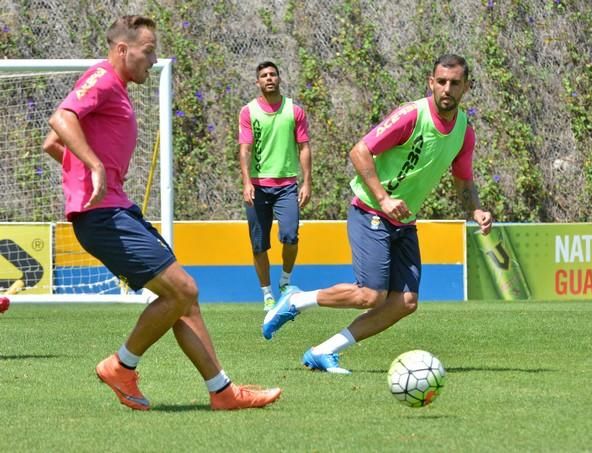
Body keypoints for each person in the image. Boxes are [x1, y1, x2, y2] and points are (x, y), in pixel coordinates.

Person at [42, 15, 281, 410]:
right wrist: (95, 168)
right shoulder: (102, 77)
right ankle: (121, 365)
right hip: (102, 216)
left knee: (184, 297)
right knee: (183, 289)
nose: (153, 61)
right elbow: (60, 120)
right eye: (148, 51)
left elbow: (54, 143)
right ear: (123, 50)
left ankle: (222, 392)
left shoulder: (115, 88)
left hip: (115, 209)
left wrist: (82, 170)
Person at [262, 54, 493, 374]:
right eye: (441, 82)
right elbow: (359, 151)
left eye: (455, 83)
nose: (447, 89)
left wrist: (476, 209)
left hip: (404, 221)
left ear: (467, 87)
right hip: (370, 211)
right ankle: (296, 301)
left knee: (405, 302)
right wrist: (383, 199)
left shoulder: (464, 131)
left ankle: (324, 351)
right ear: (431, 82)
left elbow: (463, 178)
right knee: (370, 294)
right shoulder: (411, 116)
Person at [238, 61, 312, 311]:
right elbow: (245, 149)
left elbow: (304, 147)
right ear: (257, 82)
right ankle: (267, 293)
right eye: (263, 75)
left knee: (290, 236)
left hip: (286, 187)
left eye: (273, 74)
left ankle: (285, 281)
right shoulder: (248, 112)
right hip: (258, 188)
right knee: (259, 244)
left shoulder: (295, 111)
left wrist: (306, 182)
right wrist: (246, 182)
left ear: (279, 79)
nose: (269, 78)